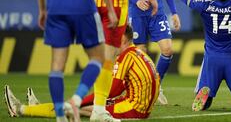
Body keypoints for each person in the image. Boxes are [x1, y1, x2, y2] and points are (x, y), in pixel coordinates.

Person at [4, 25, 160, 120]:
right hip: (139, 107)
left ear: (122, 39)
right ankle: (39, 107)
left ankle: (22, 110)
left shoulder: (126, 57)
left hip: (133, 109)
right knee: (85, 107)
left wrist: (82, 100)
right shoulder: (140, 53)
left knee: (73, 109)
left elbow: (112, 91)